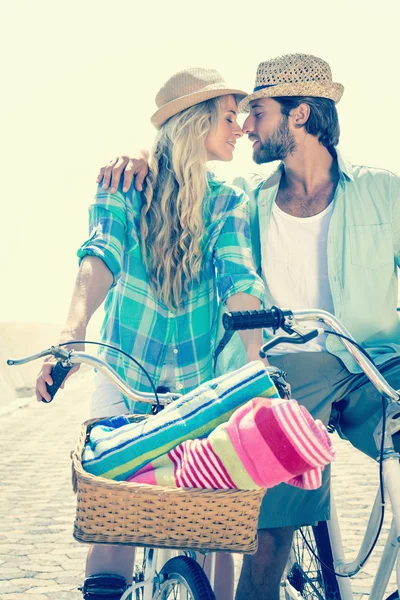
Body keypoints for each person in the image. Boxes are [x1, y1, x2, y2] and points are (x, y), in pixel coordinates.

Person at [98, 53, 400, 600]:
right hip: (284, 373)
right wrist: (138, 154)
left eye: (257, 112)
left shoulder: (386, 191)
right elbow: (184, 169)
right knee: (269, 528)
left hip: (373, 362)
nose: (245, 125)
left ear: (300, 115)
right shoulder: (245, 200)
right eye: (240, 114)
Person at [35, 67, 268, 600]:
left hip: (198, 379)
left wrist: (258, 366)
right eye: (229, 118)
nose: (239, 129)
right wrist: (72, 333)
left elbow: (238, 278)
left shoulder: (225, 200)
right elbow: (101, 256)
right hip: (125, 367)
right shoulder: (124, 185)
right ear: (193, 124)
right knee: (115, 505)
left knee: (215, 516)